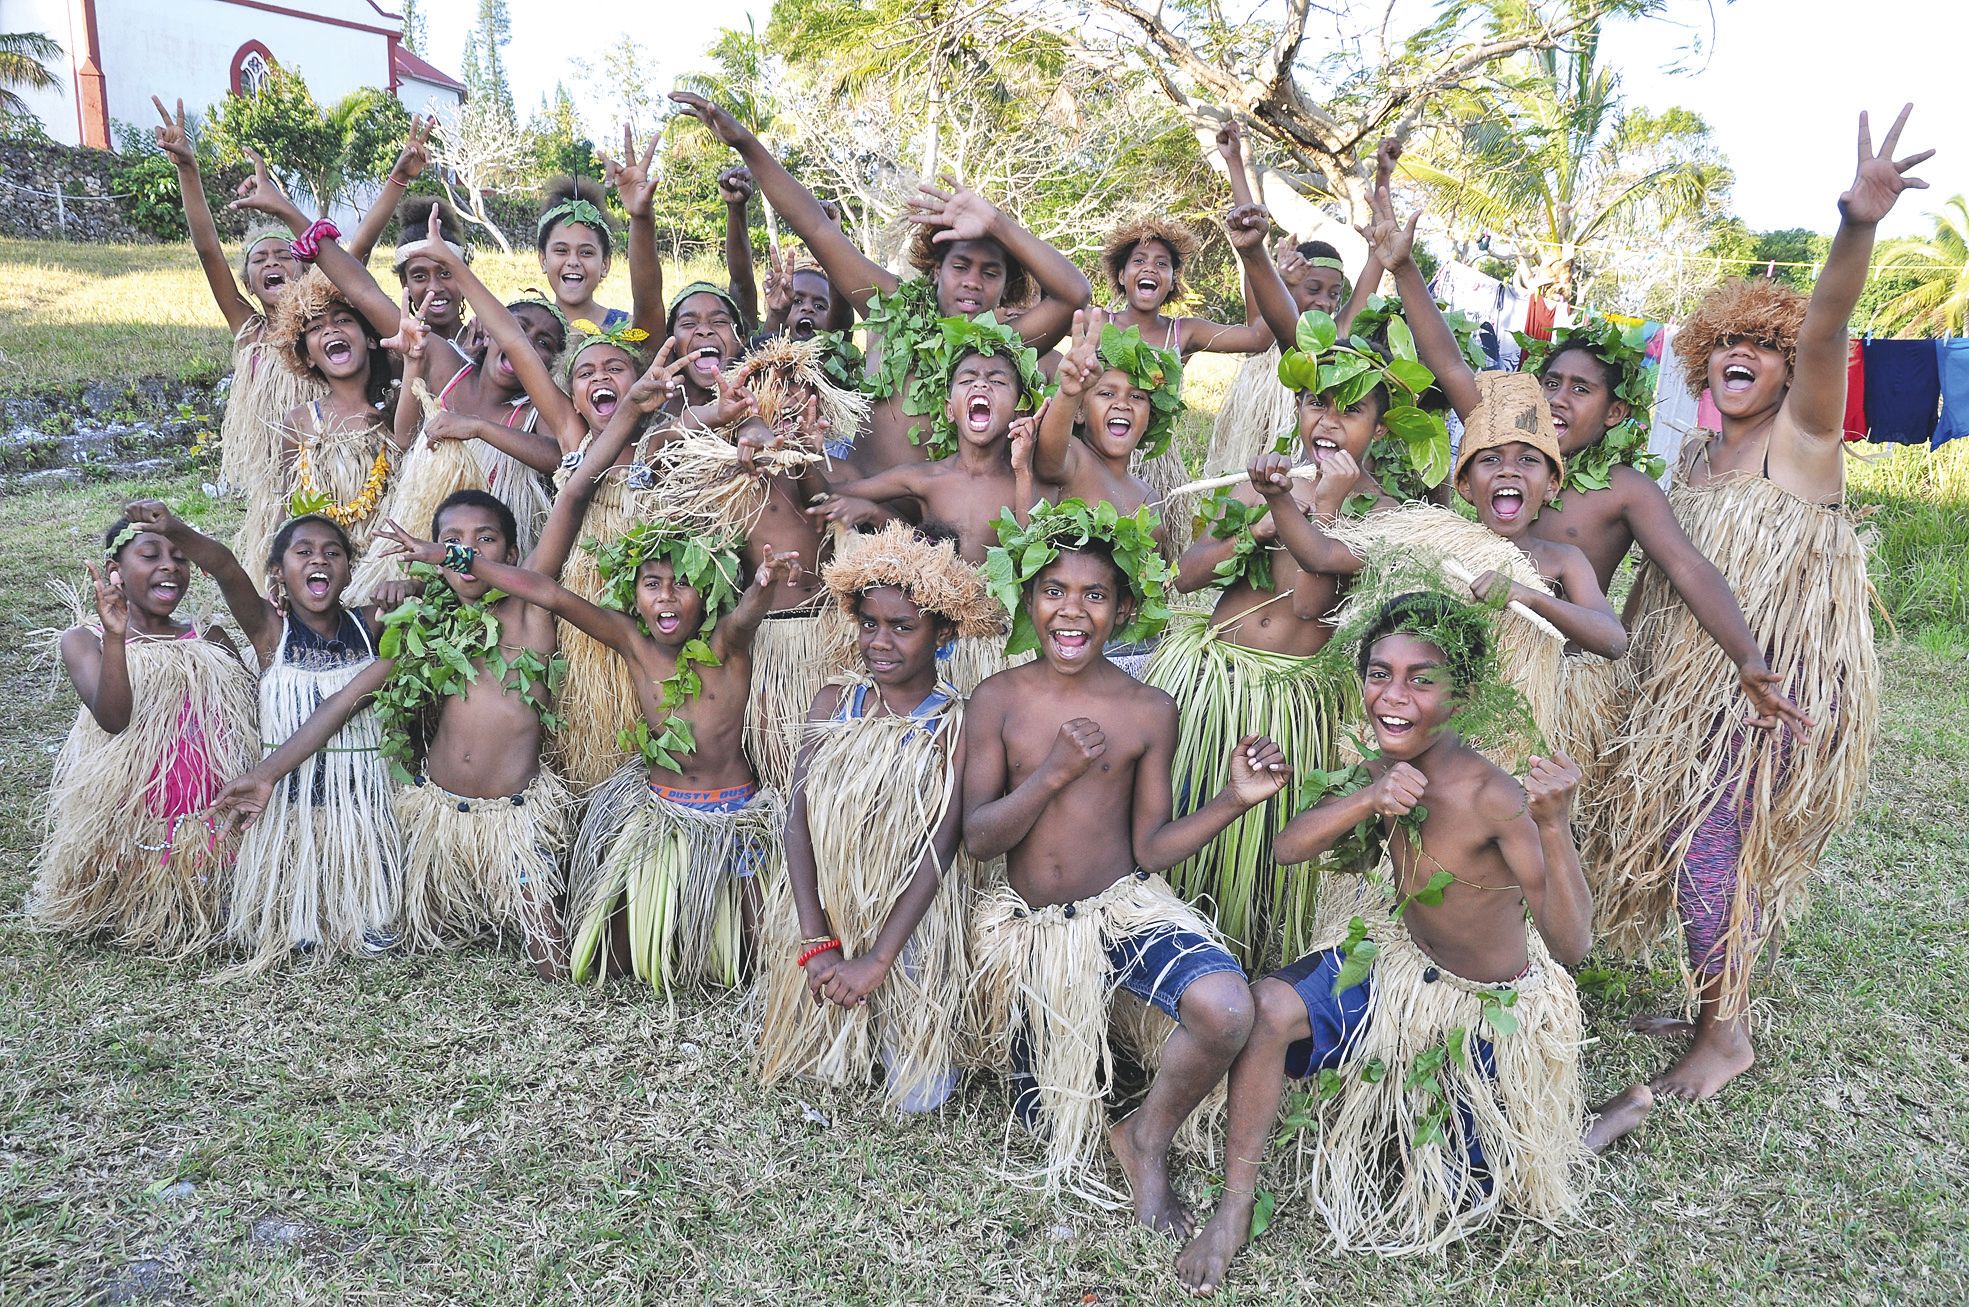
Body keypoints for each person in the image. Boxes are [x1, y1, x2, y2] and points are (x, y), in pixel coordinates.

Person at [1584, 107, 1920, 1100]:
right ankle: (1709, 998)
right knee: (1706, 830)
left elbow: (1825, 325)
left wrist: (1854, 224)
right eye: (1722, 343)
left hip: (1766, 679)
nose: (1739, 355)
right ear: (1698, 358)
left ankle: (1724, 1033)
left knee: (1709, 830)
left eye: (1758, 348)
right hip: (1695, 677)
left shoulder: (1801, 437)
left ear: (1785, 370)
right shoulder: (1696, 452)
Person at [1176, 593, 1648, 1288]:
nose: (1391, 696)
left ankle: (1594, 1125)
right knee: (1270, 1006)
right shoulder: (1382, 762)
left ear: (1466, 693)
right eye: (1378, 673)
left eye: (1420, 679)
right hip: (1403, 970)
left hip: (1485, 1009)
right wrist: (1368, 797)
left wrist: (1554, 825)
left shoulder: (1497, 797)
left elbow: (1570, 944)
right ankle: (1235, 1204)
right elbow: (1286, 847)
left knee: (1478, 1193)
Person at [1359, 139, 1804, 758]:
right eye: (1552, 384)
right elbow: (1451, 364)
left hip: (1556, 679)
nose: (1560, 399)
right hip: (1468, 658)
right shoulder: (1513, 444)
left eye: (1582, 389)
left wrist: (1748, 658)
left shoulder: (1626, 489)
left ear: (1617, 411)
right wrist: (1404, 269)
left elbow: (1687, 567)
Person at [963, 500, 1290, 1229]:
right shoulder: (998, 699)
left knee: (1227, 1008)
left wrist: (1233, 799)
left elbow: (1150, 849)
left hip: (1122, 909)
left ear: (1125, 607)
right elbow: (978, 837)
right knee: (1044, 1120)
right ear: (1027, 597)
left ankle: (1144, 1136)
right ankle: (1100, 1050)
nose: (1071, 611)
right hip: (1036, 935)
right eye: (1052, 590)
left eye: (1094, 594)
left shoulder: (1147, 709)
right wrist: (1051, 773)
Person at [210, 484, 590, 980]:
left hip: (511, 822)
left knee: (552, 961)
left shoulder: (529, 610)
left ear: (513, 554)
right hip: (433, 819)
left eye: (485, 540)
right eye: (453, 540)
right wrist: (267, 774)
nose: (468, 552)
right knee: (408, 936)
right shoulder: (428, 626)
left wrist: (628, 415)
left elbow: (572, 493)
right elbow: (345, 702)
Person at [453, 514, 796, 992]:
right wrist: (461, 560)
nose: (667, 597)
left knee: (764, 957)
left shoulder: (724, 647)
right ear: (634, 596)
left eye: (682, 585)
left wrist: (763, 584)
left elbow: (745, 617)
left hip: (733, 816)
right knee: (608, 961)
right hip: (661, 816)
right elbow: (549, 594)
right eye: (651, 584)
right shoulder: (635, 645)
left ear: (708, 595)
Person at [672, 90, 1093, 476]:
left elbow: (1076, 294)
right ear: (935, 271)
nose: (972, 284)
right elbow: (816, 228)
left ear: (1005, 286)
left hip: (941, 533)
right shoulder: (889, 306)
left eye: (991, 273)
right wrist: (746, 142)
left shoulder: (1007, 343)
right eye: (960, 267)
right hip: (855, 508)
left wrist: (998, 224)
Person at [757, 522, 1005, 1111]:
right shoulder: (833, 703)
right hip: (828, 910)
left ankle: (903, 1020)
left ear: (943, 631)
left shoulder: (956, 725)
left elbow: (942, 847)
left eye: (903, 627)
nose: (881, 641)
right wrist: (816, 938)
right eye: (870, 623)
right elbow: (797, 818)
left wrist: (880, 959)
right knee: (818, 1069)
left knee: (919, 1098)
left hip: (912, 926)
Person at [1261, 369, 1628, 752]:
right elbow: (1320, 555)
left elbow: (1613, 640)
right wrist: (1282, 498)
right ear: (1465, 485)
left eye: (1528, 461)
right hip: (1414, 727)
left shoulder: (1562, 560)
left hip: (1502, 740)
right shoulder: (1432, 536)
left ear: (1552, 484)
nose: (1508, 470)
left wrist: (1531, 596)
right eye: (1490, 460)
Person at [121, 501, 401, 971]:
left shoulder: (369, 625)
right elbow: (226, 566)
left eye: (333, 553)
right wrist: (177, 529)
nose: (318, 560)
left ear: (349, 572)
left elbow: (426, 603)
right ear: (277, 572)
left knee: (368, 912)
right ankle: (299, 917)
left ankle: (363, 909)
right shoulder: (270, 632)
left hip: (359, 799)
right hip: (292, 802)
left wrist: (405, 586)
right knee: (300, 919)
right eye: (303, 552)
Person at [149, 96, 408, 509]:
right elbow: (208, 251)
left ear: (304, 266)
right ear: (248, 283)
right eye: (259, 259)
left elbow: (360, 243)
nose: (272, 261)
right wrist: (187, 169)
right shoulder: (249, 331)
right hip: (275, 484)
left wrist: (397, 180)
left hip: (341, 463)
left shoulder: (330, 318)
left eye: (284, 254)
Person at [28, 516, 257, 957]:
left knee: (220, 896)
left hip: (208, 800)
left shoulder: (209, 637)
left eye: (179, 557)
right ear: (115, 569)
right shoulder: (84, 640)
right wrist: (116, 636)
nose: (169, 566)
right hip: (136, 808)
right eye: (150, 556)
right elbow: (113, 717)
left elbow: (250, 710)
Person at [234, 265, 403, 586]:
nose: (330, 330)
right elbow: (287, 505)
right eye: (315, 328)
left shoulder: (394, 409)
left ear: (369, 339)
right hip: (320, 575)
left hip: (385, 571)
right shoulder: (299, 422)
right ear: (308, 356)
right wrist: (276, 575)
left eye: (343, 320)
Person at [536, 132, 665, 340]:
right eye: (561, 250)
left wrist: (641, 218)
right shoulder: (526, 328)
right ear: (543, 259)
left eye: (586, 252)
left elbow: (650, 306)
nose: (573, 262)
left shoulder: (625, 329)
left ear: (605, 264)